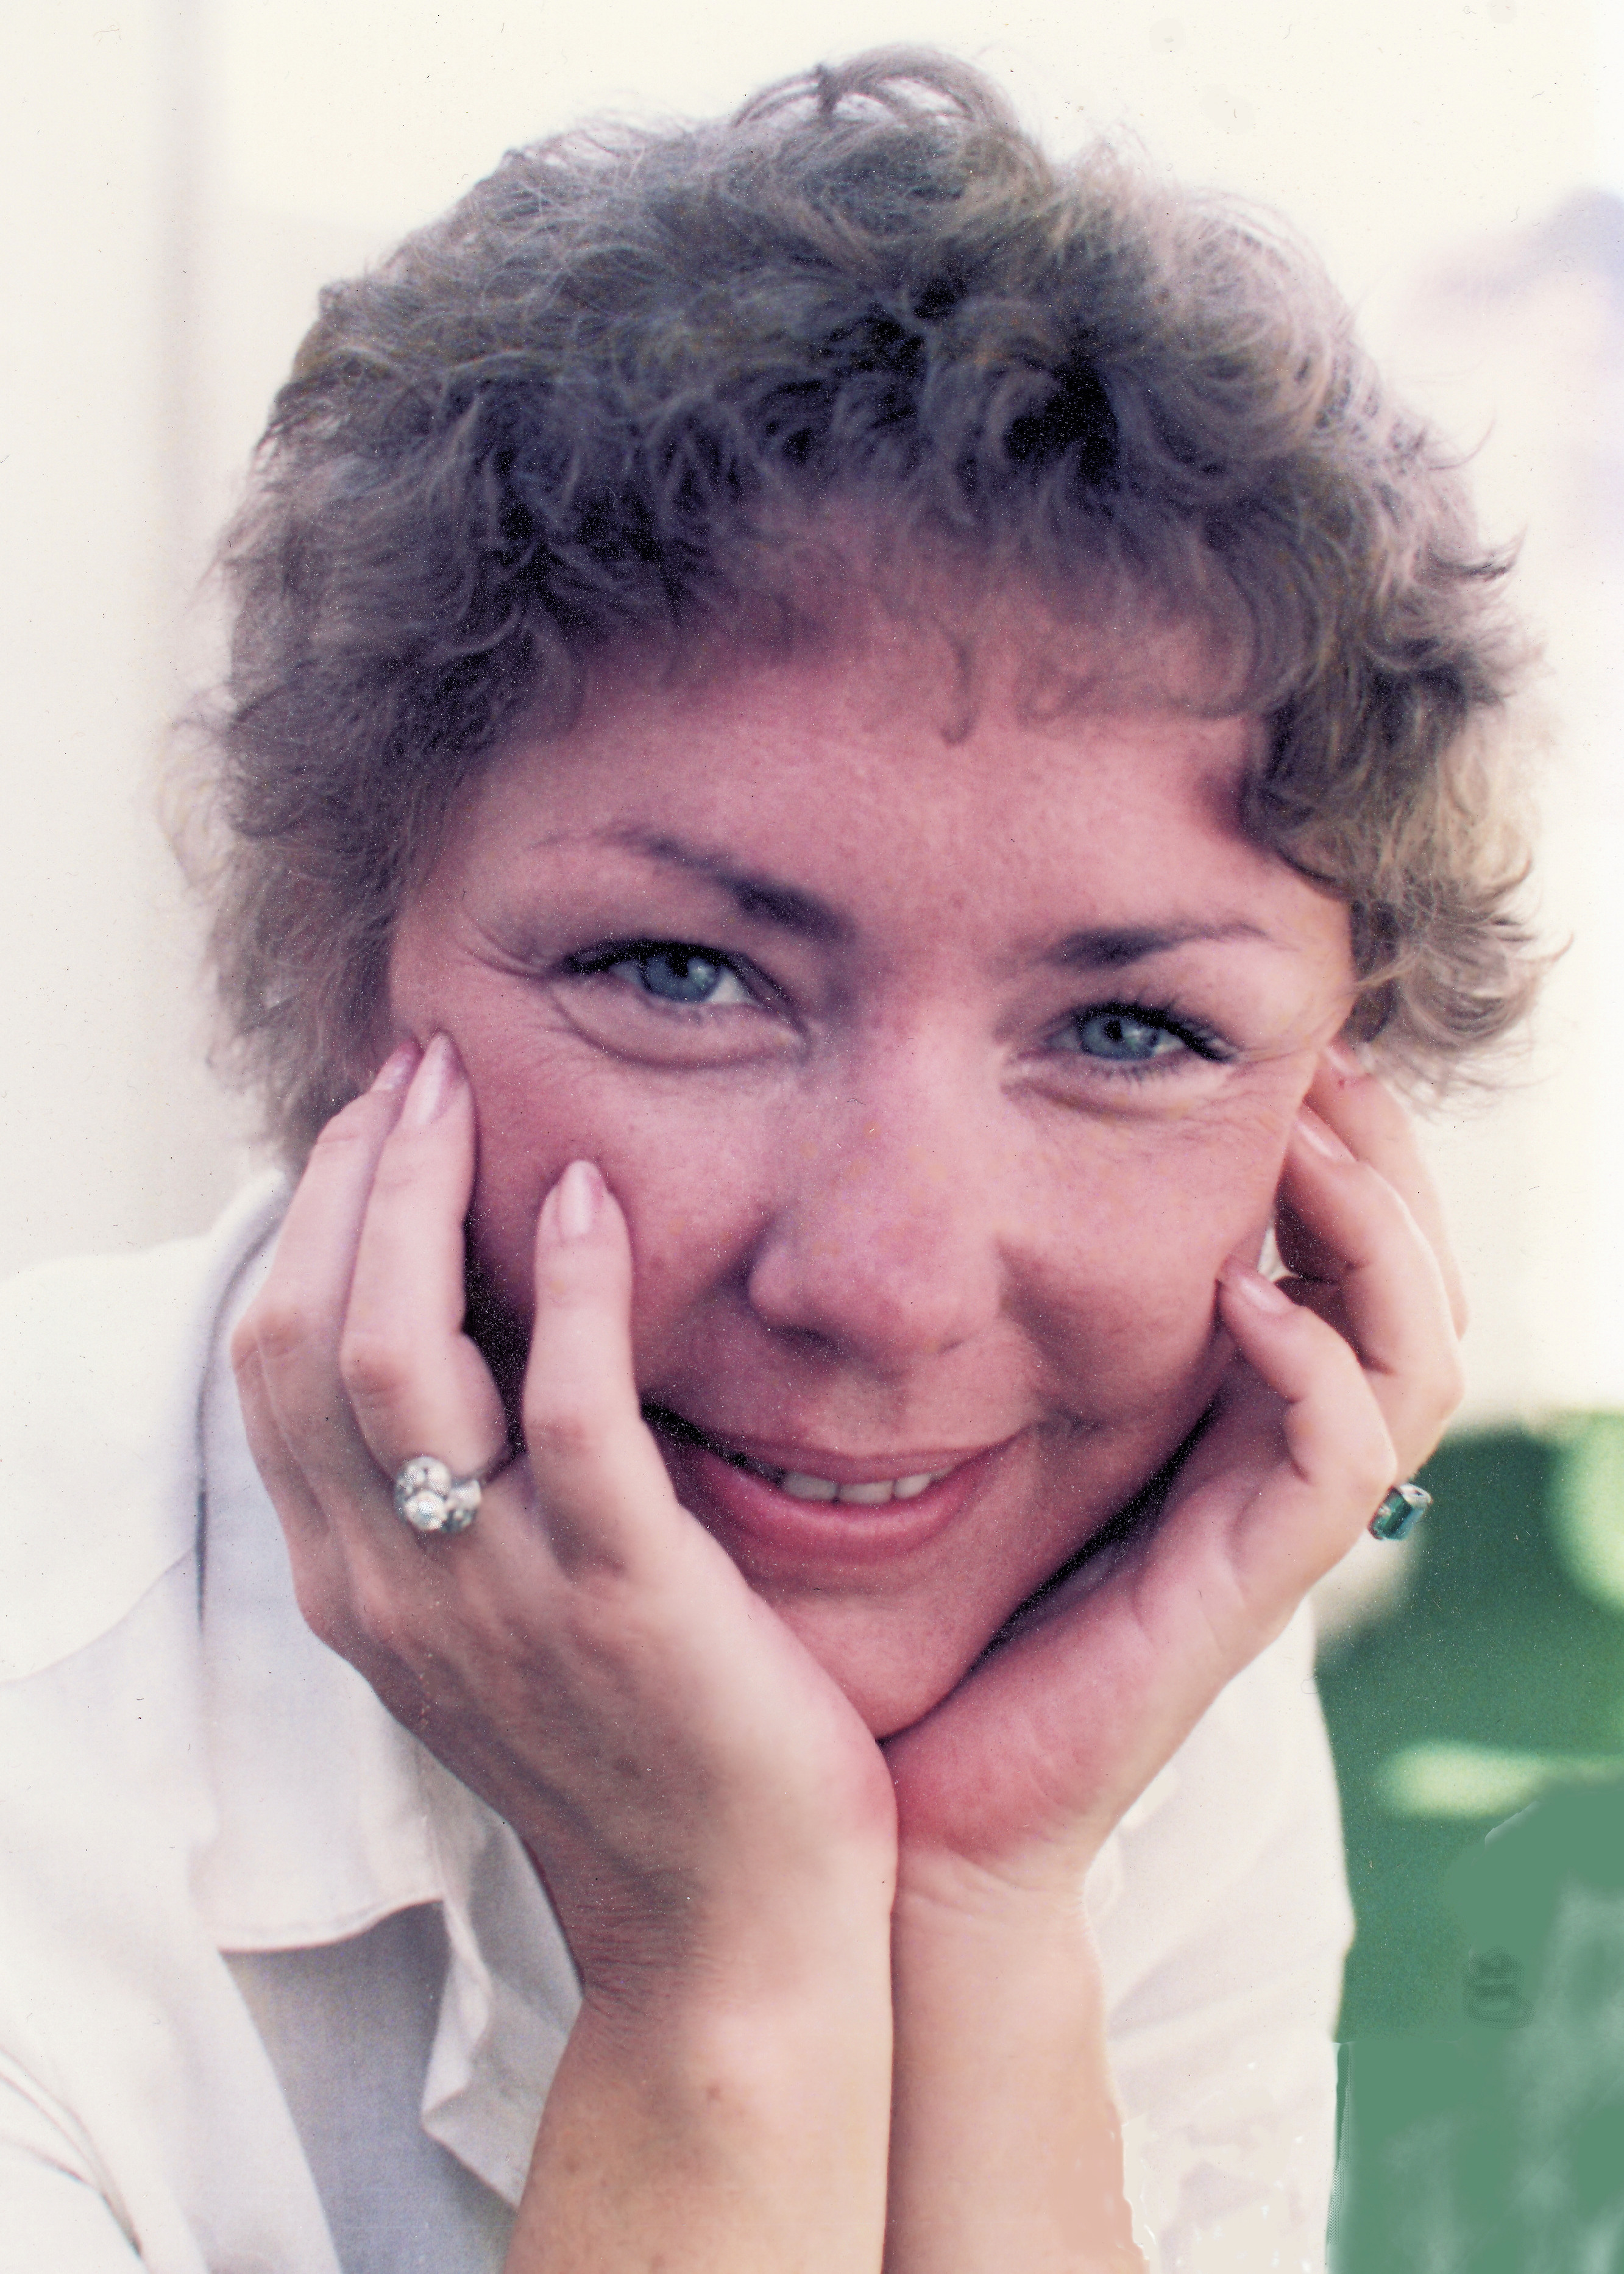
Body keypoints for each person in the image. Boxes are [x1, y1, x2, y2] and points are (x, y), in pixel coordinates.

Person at [0, 48, 1539, 2274]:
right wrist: (722, 1974)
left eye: (1129, 1031)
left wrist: (975, 1905)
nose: (888, 1286)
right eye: (683, 975)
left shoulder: (1105, 1641)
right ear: (346, 967)